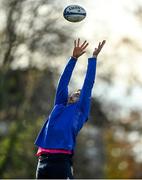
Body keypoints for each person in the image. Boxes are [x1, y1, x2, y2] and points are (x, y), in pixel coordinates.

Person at [35, 38, 106, 179]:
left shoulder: (80, 111)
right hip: (42, 162)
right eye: (76, 92)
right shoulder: (59, 105)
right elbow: (63, 82)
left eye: (81, 94)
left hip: (61, 162)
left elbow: (88, 84)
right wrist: (73, 58)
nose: (78, 93)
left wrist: (93, 59)